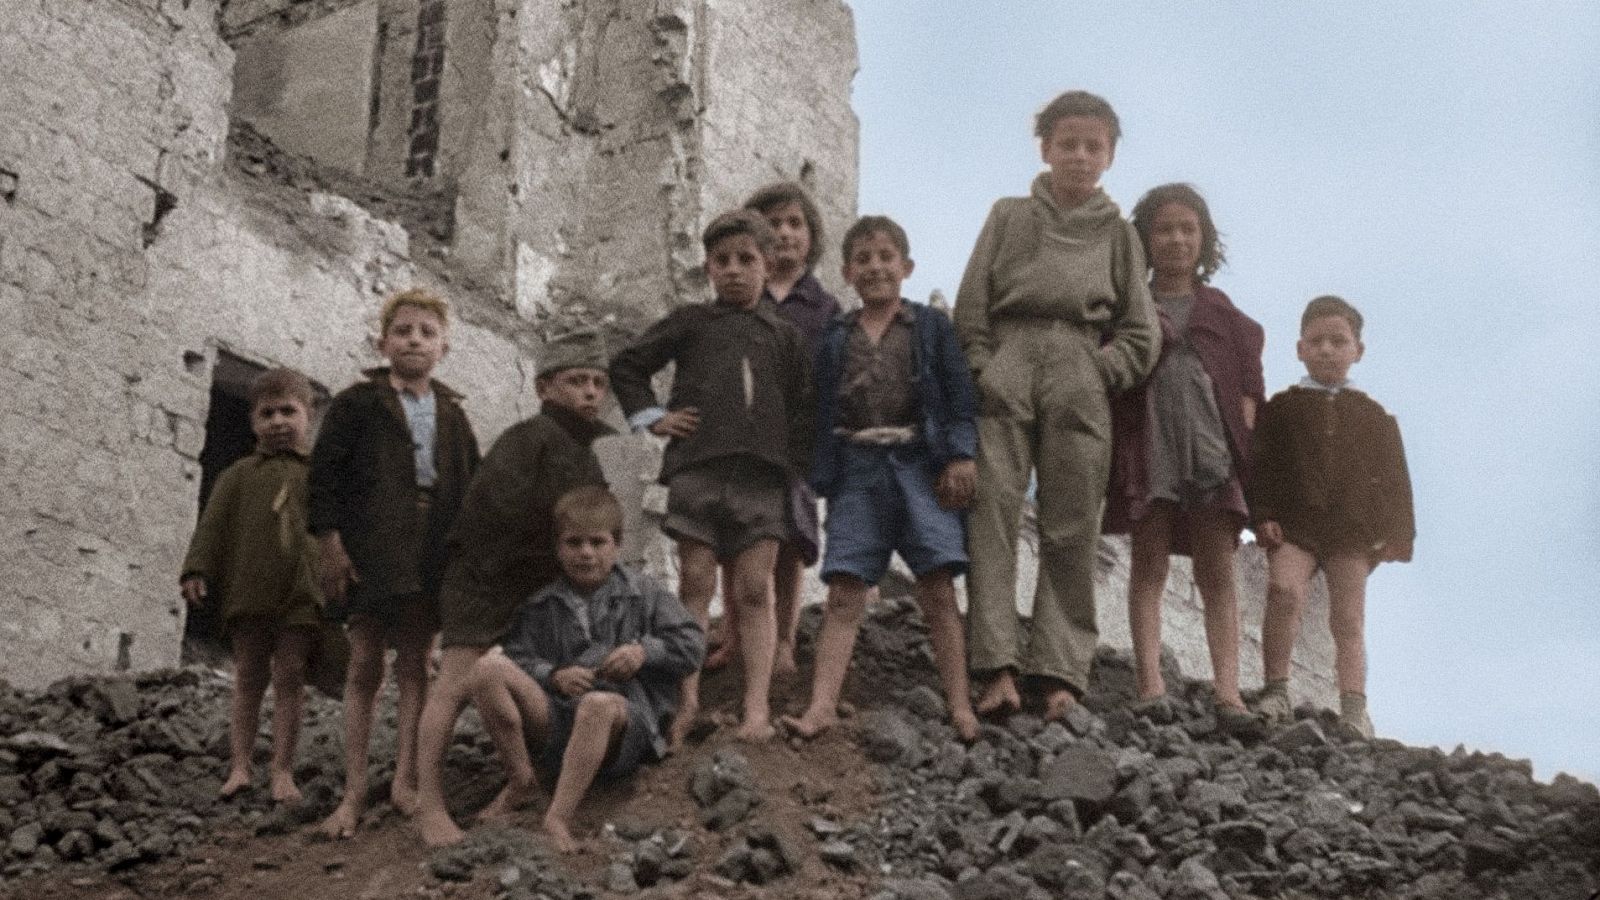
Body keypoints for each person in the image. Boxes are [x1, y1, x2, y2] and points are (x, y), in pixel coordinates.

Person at [954, 90, 1160, 720]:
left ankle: (1061, 672)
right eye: (1067, 142)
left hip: (1079, 365)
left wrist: (1102, 369)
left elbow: (1141, 330)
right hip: (1011, 357)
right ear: (1044, 148)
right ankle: (995, 668)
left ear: (1110, 156)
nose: (1079, 155)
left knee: (1072, 522)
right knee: (993, 510)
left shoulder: (1120, 235)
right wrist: (988, 366)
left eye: (1092, 145)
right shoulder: (1009, 216)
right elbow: (971, 306)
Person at [610, 209, 814, 745]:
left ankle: (755, 709)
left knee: (753, 589)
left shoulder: (786, 336)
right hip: (697, 473)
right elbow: (627, 365)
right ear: (707, 269)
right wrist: (653, 417)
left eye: (746, 259)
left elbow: (802, 409)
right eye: (721, 261)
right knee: (696, 583)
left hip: (760, 484)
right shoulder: (690, 323)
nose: (733, 270)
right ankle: (686, 701)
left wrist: (788, 465)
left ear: (767, 265)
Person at [782, 216, 980, 742]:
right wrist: (819, 468)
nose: (875, 267)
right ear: (847, 272)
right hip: (856, 469)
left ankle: (960, 705)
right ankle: (822, 704)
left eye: (886, 257)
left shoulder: (931, 328)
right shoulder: (836, 336)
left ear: (906, 267)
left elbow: (960, 396)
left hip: (920, 467)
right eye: (863, 259)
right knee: (846, 590)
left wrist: (960, 456)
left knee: (937, 587)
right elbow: (816, 405)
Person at [412, 331, 613, 847]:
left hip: (537, 590)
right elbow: (495, 516)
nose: (591, 392)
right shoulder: (529, 438)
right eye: (577, 381)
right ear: (546, 386)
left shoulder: (586, 456)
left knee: (538, 686)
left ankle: (522, 782)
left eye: (598, 383)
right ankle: (430, 807)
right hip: (486, 579)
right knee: (456, 683)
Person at [309, 288, 480, 838]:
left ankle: (407, 781)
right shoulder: (357, 404)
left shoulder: (453, 415)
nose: (414, 340)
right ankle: (353, 792)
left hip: (431, 544)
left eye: (426, 333)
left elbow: (472, 489)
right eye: (403, 331)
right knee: (363, 663)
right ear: (382, 342)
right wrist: (331, 545)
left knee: (415, 663)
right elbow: (324, 479)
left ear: (444, 347)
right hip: (374, 542)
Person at [1103, 183, 1264, 727]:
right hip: (1149, 446)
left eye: (1187, 229)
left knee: (1216, 569)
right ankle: (1149, 684)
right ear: (1144, 238)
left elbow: (1248, 401)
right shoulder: (1128, 306)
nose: (1175, 239)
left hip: (1208, 449)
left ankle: (1229, 694)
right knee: (1147, 563)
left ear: (1204, 239)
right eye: (1164, 228)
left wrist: (1246, 467)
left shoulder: (1227, 317)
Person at [465, 487, 704, 853]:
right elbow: (519, 655)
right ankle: (520, 779)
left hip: (624, 725)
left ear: (617, 545)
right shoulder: (542, 604)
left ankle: (558, 818)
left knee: (598, 704)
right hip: (559, 719)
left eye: (597, 542)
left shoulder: (645, 591)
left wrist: (643, 652)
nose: (586, 553)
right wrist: (552, 675)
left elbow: (691, 642)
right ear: (558, 549)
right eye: (573, 543)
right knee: (487, 669)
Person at [1250, 295, 1414, 739]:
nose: (1326, 349)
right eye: (1316, 340)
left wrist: (1397, 535)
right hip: (1295, 525)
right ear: (1300, 348)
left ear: (1357, 350)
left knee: (1348, 618)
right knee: (1283, 591)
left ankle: (1353, 709)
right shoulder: (1282, 407)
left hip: (1351, 532)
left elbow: (1396, 479)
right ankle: (1275, 690)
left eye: (1337, 341)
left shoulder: (1377, 417)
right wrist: (1261, 514)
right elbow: (1260, 464)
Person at [704, 182, 842, 677]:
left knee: (787, 538)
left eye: (795, 223)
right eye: (773, 224)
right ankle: (736, 635)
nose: (784, 234)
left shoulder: (822, 309)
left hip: (793, 440)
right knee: (734, 535)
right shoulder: (740, 296)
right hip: (738, 434)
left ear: (811, 234)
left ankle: (782, 639)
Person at [180, 368, 323, 803]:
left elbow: (338, 527)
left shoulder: (319, 476)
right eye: (267, 413)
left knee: (291, 674)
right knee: (248, 675)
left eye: (289, 411)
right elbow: (213, 525)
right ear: (253, 422)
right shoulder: (238, 475)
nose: (278, 421)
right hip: (250, 588)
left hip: (301, 588)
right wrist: (196, 568)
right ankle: (240, 765)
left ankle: (282, 770)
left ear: (309, 416)